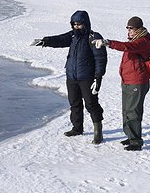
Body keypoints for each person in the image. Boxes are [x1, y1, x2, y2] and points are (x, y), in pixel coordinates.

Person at [31, 11, 107, 144]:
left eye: (79, 24)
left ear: (85, 24)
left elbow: (100, 58)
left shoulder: (93, 37)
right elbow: (60, 39)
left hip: (87, 77)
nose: (76, 27)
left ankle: (97, 133)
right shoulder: (73, 36)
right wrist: (45, 41)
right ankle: (77, 128)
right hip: (72, 76)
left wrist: (98, 78)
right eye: (74, 24)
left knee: (91, 104)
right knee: (74, 103)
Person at [93, 16, 150, 151]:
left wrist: (108, 42)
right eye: (128, 28)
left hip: (137, 82)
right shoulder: (135, 40)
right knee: (126, 110)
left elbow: (126, 47)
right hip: (127, 81)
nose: (129, 31)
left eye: (132, 28)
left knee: (133, 112)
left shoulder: (142, 42)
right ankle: (130, 135)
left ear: (139, 29)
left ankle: (136, 141)